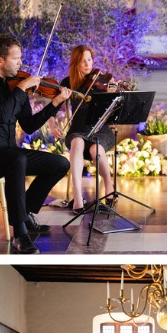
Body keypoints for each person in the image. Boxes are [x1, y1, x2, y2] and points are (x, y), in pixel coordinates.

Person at [0, 35, 71, 255]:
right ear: (0, 60)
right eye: (16, 58)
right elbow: (1, 114)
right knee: (16, 159)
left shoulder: (14, 86)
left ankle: (26, 212)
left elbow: (29, 125)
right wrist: (21, 89)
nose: (21, 63)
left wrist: (55, 104)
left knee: (59, 163)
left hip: (8, 155)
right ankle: (19, 232)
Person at [36, 45, 119, 214]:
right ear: (75, 64)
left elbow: (116, 109)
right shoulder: (68, 83)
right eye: (83, 61)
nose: (88, 64)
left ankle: (109, 187)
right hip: (78, 130)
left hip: (101, 130)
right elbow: (52, 107)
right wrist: (52, 123)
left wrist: (114, 93)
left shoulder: (102, 81)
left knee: (96, 148)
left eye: (89, 59)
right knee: (77, 142)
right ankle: (78, 196)